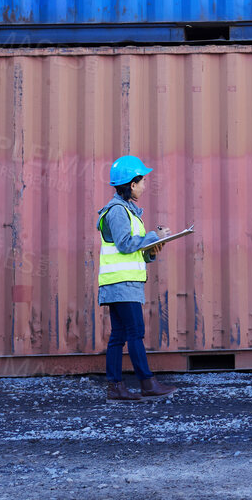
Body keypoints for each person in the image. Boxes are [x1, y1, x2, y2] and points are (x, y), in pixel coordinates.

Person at [97, 154, 175, 401]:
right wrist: (153, 236)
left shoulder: (127, 211)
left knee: (119, 336)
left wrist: (152, 249)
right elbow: (124, 244)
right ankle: (147, 383)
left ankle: (115, 388)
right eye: (141, 181)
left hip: (121, 284)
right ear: (131, 184)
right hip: (121, 285)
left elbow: (134, 251)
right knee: (135, 332)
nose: (144, 186)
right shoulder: (118, 211)